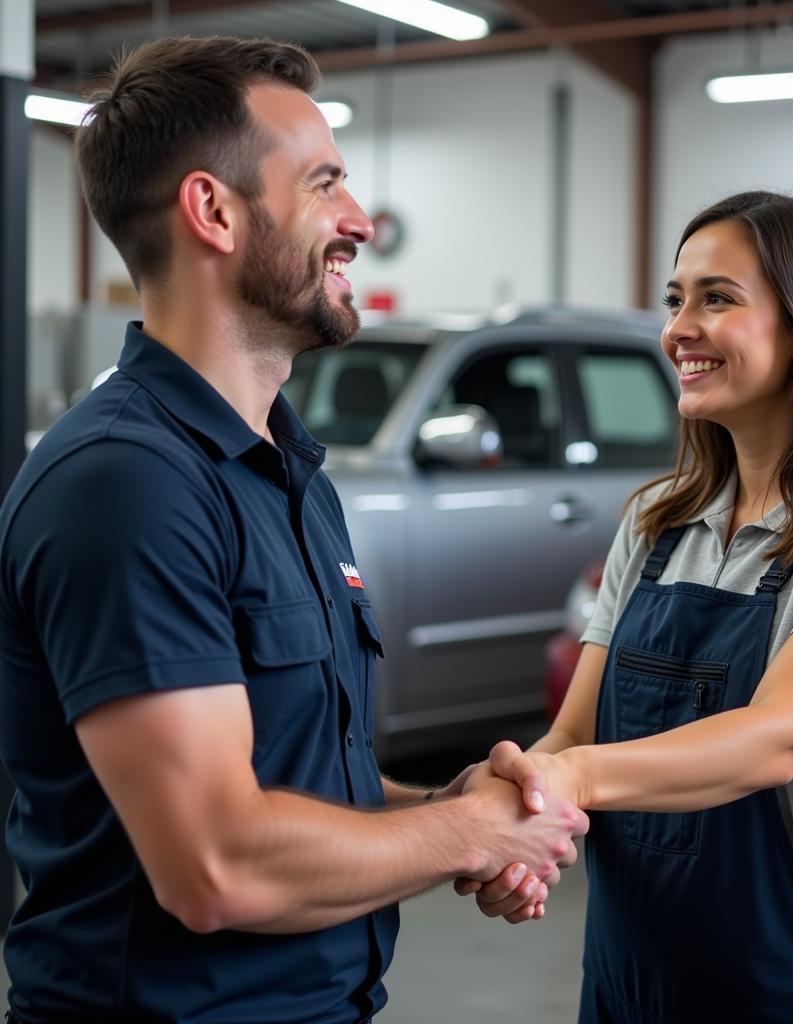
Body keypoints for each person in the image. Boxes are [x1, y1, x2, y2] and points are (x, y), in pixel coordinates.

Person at [0, 37, 585, 1024]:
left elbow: (293, 785)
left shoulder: (287, 475)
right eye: (324, 185)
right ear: (214, 212)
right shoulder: (127, 483)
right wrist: (469, 834)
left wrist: (455, 811)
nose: (358, 220)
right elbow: (216, 863)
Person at [460, 191, 793, 1022]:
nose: (678, 329)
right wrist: (519, 827)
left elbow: (777, 737)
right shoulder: (657, 520)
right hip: (630, 979)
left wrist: (568, 779)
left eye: (716, 298)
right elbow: (576, 731)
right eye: (675, 299)